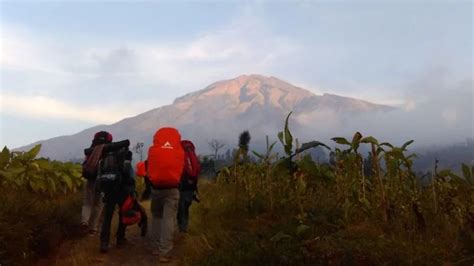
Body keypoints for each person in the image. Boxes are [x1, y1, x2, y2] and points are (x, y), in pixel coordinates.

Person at [146, 127, 185, 263]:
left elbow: (148, 169)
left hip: (156, 189)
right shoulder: (179, 151)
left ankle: (155, 248)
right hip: (172, 189)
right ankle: (164, 252)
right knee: (168, 220)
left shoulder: (153, 150)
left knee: (156, 217)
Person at [93, 139, 135, 253]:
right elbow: (129, 173)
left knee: (107, 217)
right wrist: (132, 190)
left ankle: (104, 242)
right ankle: (120, 239)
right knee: (123, 214)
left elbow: (99, 176)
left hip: (109, 190)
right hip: (122, 190)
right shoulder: (125, 156)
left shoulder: (106, 157)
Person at [80, 131, 112, 236]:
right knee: (98, 205)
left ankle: (84, 221)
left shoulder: (91, 150)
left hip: (90, 179)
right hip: (102, 181)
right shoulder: (109, 150)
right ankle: (93, 229)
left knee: (87, 203)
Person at [177, 140, 201, 233]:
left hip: (183, 186)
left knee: (181, 208)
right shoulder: (193, 156)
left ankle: (182, 228)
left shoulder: (180, 156)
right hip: (191, 188)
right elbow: (197, 170)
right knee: (186, 208)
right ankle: (184, 226)